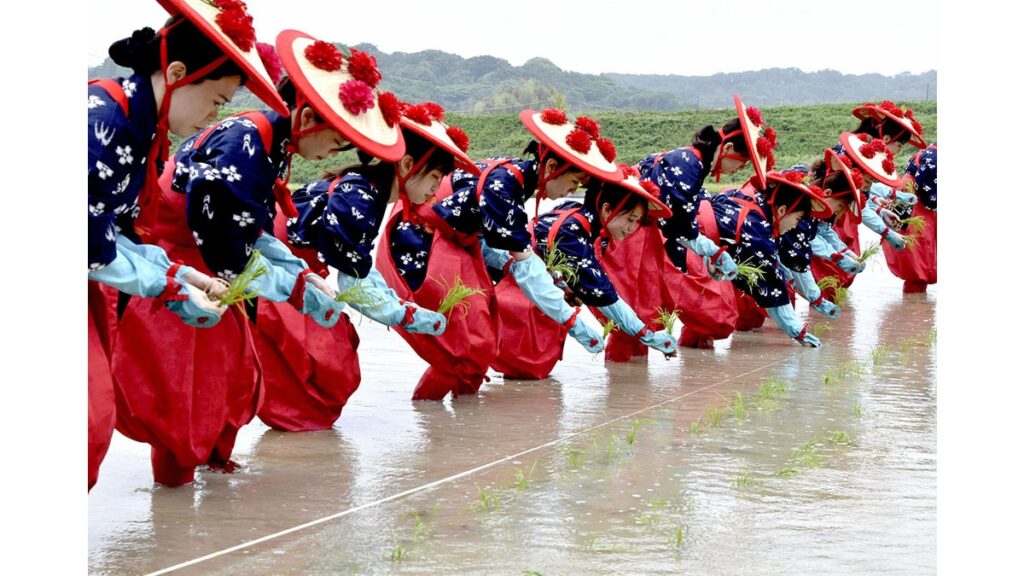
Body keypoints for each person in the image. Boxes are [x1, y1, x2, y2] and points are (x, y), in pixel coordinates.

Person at [111, 29, 399, 485]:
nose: (332, 155)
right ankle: (175, 497)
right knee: (181, 391)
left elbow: (253, 230)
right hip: (183, 265)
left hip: (214, 264)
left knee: (232, 374)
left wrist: (297, 271)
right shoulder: (245, 142)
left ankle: (210, 468)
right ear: (306, 116)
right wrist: (296, 286)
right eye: (336, 142)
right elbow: (230, 246)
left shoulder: (269, 145)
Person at [87, 0, 285, 490]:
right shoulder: (104, 120)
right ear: (176, 73)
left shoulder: (145, 130)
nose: (217, 114)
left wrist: (178, 276)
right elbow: (88, 239)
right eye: (216, 100)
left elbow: (116, 232)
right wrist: (170, 281)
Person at [433, 108, 619, 378]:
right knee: (468, 335)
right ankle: (440, 408)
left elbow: (507, 249)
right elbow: (527, 268)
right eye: (574, 181)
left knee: (476, 333)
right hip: (436, 240)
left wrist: (516, 264)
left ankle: (459, 405)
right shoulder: (505, 187)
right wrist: (571, 321)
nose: (572, 191)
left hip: (460, 242)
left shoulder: (517, 178)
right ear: (552, 168)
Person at [601, 94, 776, 354]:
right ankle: (623, 382)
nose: (738, 171)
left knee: (642, 311)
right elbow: (679, 225)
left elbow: (680, 223)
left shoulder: (693, 162)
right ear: (727, 150)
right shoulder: (689, 164)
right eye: (741, 163)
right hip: (634, 231)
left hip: (642, 231)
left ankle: (629, 382)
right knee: (636, 310)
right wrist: (712, 251)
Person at [371, 103, 497, 400]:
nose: (436, 188)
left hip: (442, 259)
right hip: (427, 264)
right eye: (434, 177)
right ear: (407, 164)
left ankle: (441, 422)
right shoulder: (383, 211)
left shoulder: (392, 204)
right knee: (457, 349)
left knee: (465, 346)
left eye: (441, 180)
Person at [524, 167, 678, 366]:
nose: (633, 229)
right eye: (630, 219)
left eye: (637, 222)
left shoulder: (576, 213)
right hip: (512, 277)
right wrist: (646, 335)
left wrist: (564, 286)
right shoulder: (574, 234)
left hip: (525, 278)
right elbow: (604, 294)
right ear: (606, 209)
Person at [707, 170, 835, 347]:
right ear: (782, 210)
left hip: (699, 249)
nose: (794, 226)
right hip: (684, 245)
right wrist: (797, 331)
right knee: (714, 318)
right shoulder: (758, 232)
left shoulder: (755, 208)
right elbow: (772, 282)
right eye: (797, 219)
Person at [880, 143, 937, 292]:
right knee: (918, 260)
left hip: (907, 203)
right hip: (916, 207)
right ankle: (915, 309)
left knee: (916, 260)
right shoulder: (934, 158)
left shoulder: (929, 152)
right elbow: (929, 197)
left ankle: (913, 307)